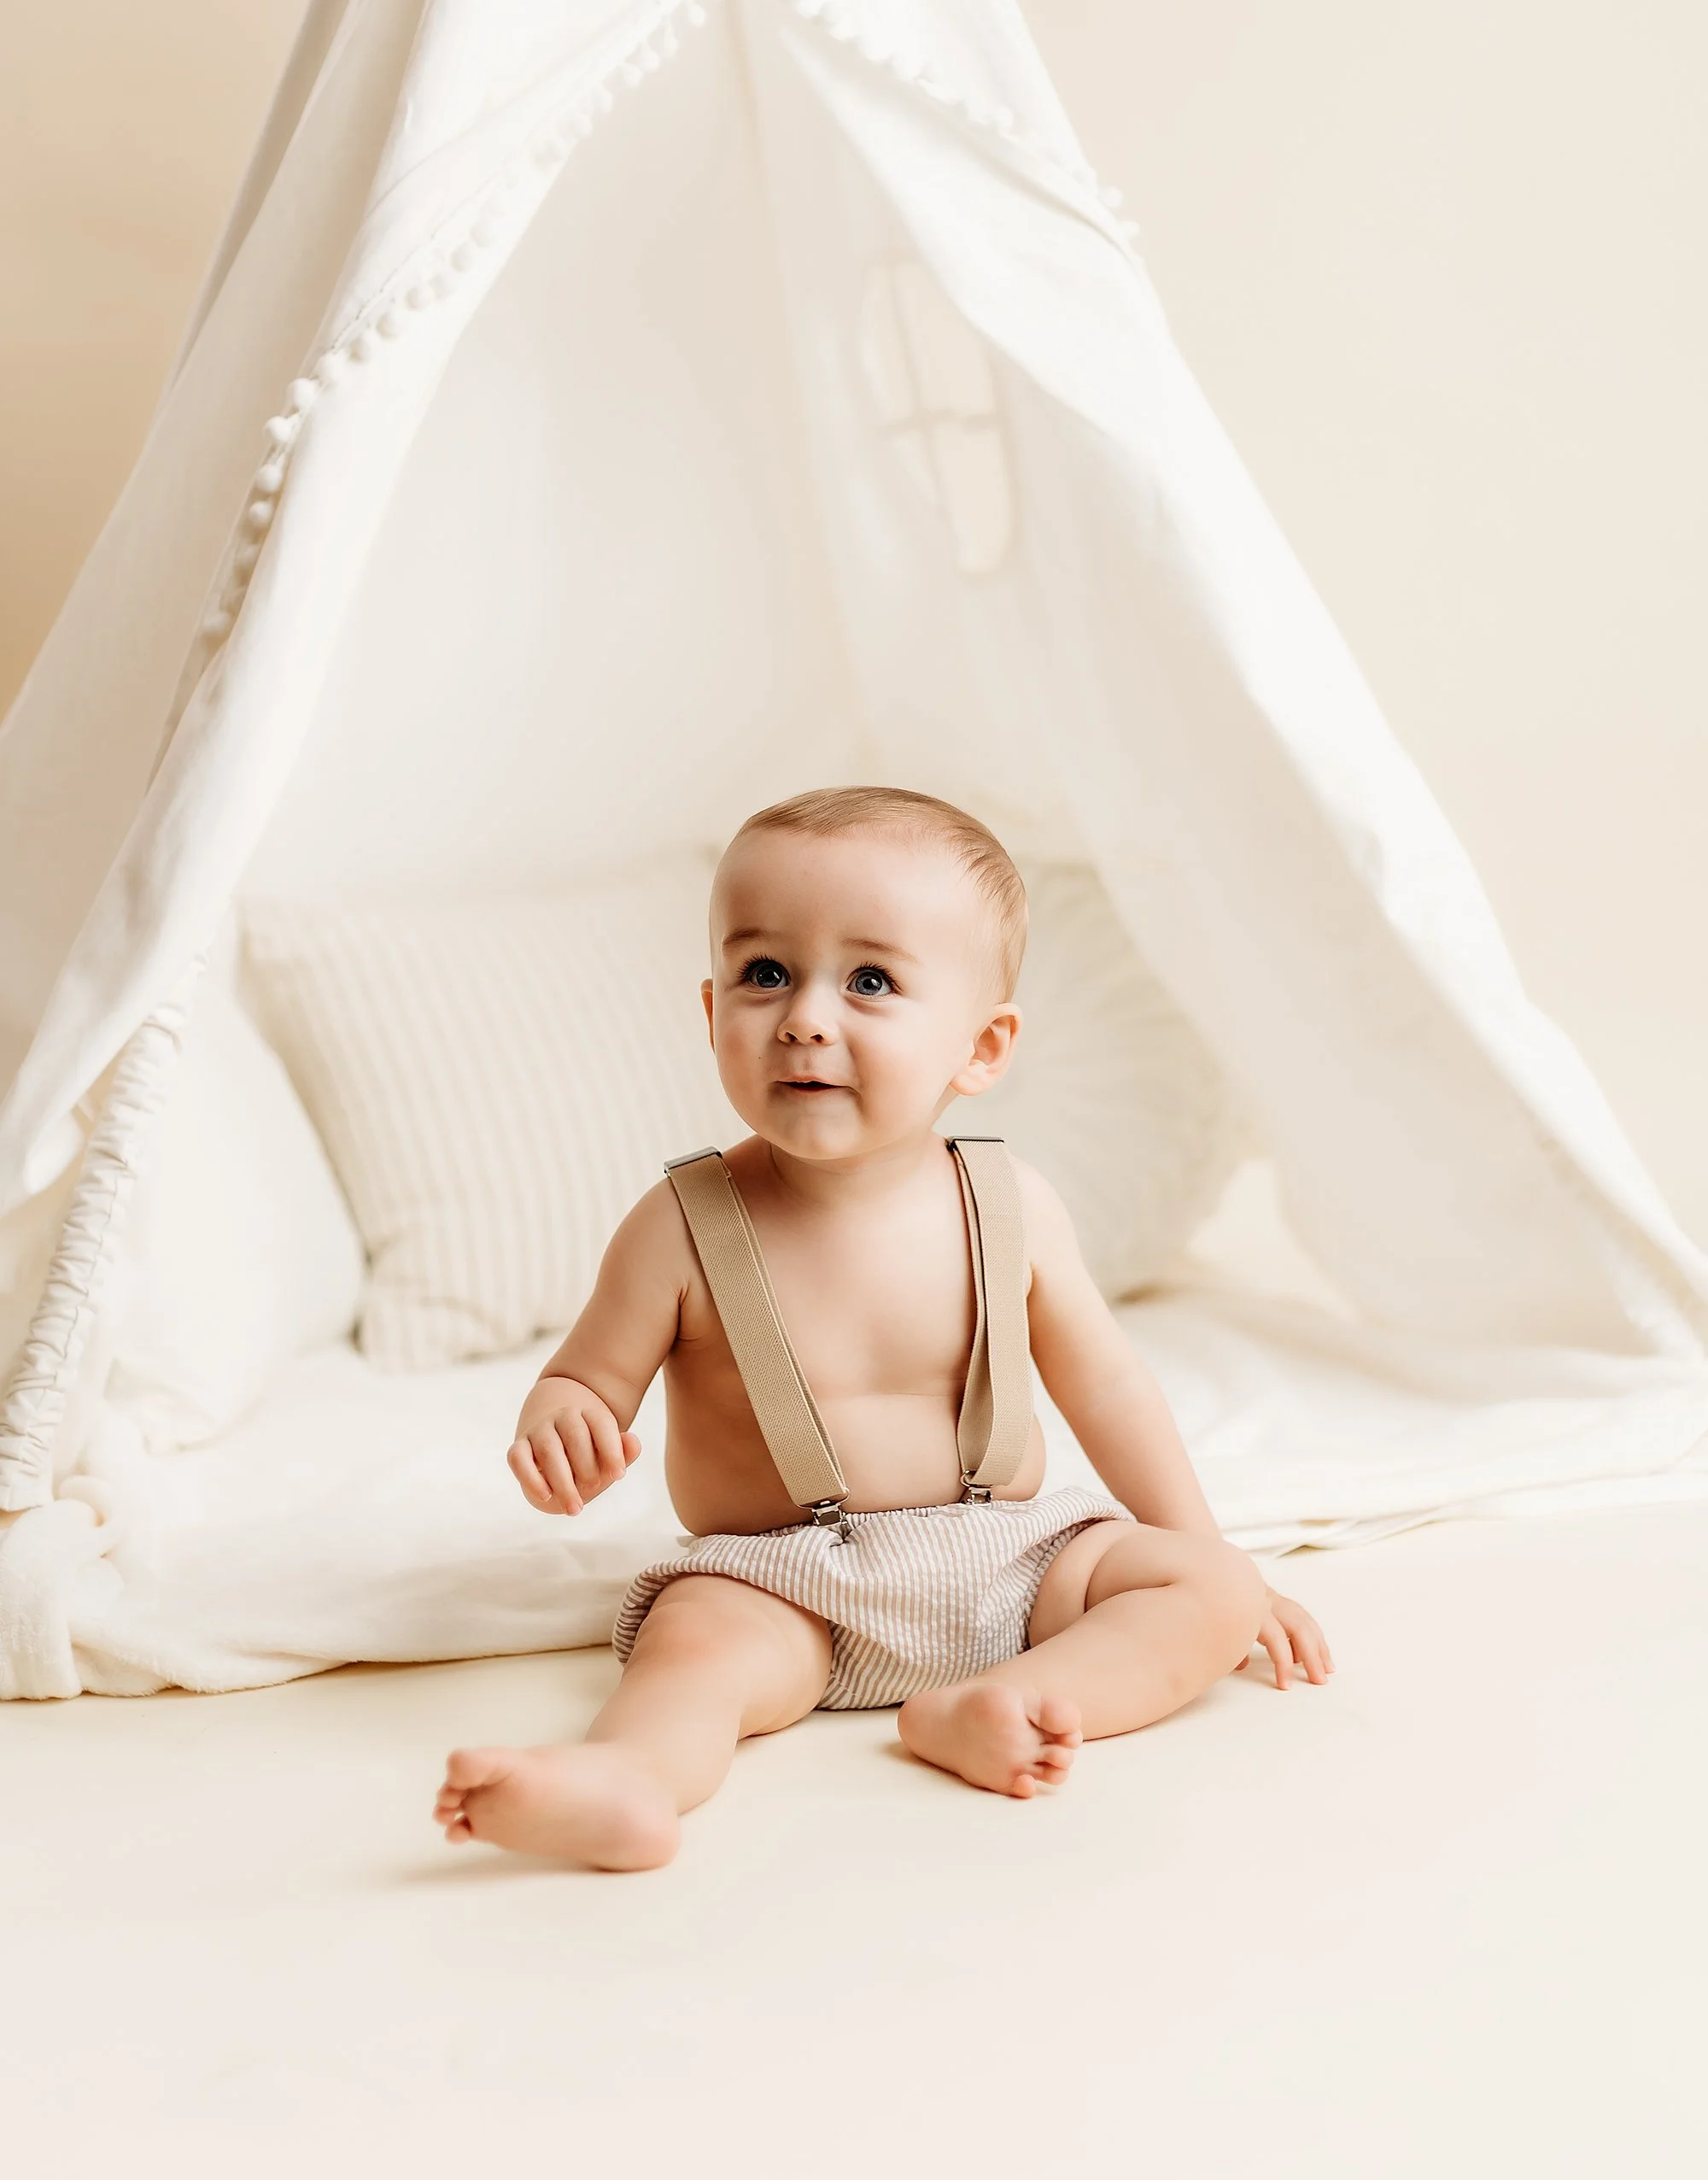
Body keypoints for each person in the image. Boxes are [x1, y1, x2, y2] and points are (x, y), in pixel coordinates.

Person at [434, 787, 1331, 1869]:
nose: (805, 1016)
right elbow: (588, 1375)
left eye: (869, 981)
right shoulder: (679, 1224)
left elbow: (1108, 1391)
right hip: (780, 1583)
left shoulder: (1010, 1206)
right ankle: (627, 1780)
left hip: (1013, 1561)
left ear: (981, 1046)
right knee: (692, 1653)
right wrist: (561, 1419)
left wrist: (1207, 1549)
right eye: (764, 974)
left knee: (1210, 1592)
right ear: (709, 1007)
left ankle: (1002, 1703)